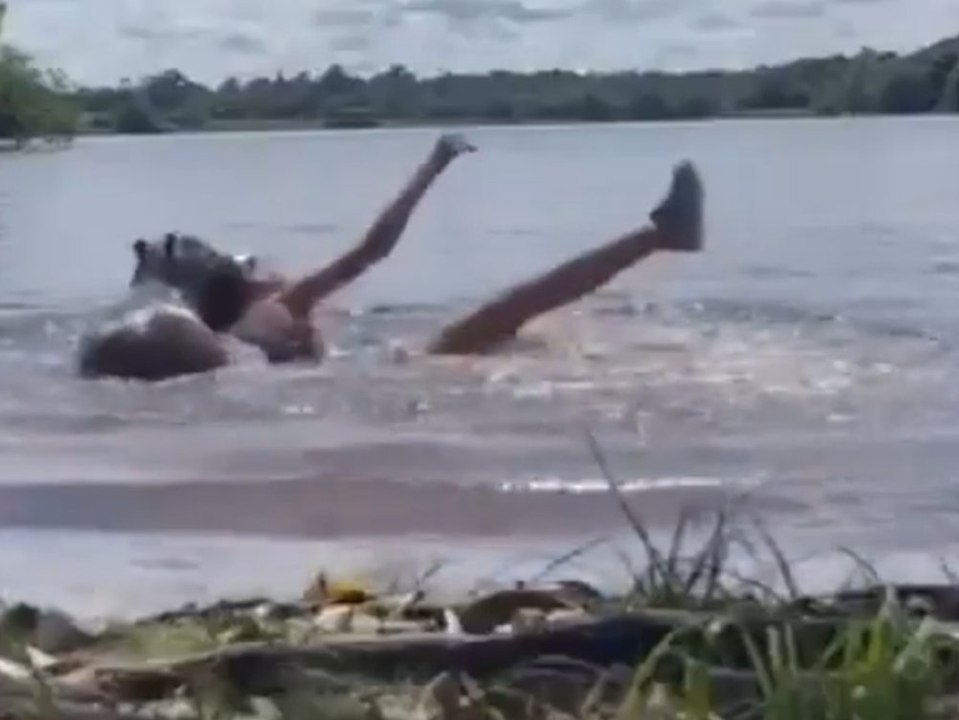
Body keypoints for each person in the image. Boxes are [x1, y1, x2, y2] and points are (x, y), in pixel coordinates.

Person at [88, 132, 703, 381]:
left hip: (366, 374)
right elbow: (374, 249)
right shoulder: (276, 308)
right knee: (508, 311)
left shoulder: (242, 323)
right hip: (390, 374)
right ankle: (658, 236)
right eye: (250, 264)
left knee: (518, 327)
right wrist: (433, 166)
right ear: (239, 285)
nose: (267, 265)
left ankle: (657, 237)